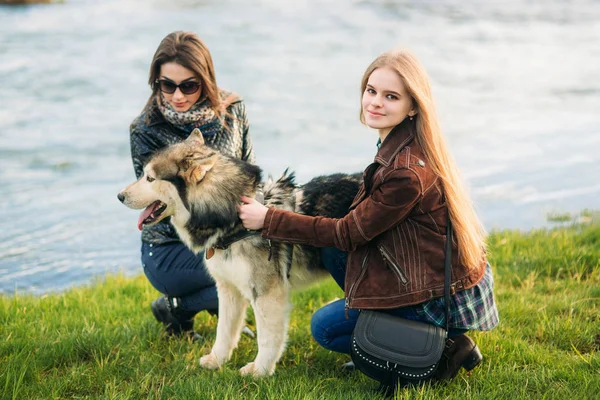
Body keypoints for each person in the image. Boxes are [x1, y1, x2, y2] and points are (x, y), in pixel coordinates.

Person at [237, 48, 499, 381]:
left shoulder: (406, 171)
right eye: (371, 91)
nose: (374, 102)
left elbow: (349, 233)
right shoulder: (402, 144)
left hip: (436, 298)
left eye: (390, 96)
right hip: (430, 276)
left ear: (413, 106)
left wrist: (268, 219)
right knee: (333, 250)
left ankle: (438, 351)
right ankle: (404, 333)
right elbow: (351, 232)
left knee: (326, 328)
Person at [129, 31, 255, 340]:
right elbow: (159, 202)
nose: (177, 95)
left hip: (233, 233)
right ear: (156, 81)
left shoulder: (233, 110)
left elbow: (250, 178)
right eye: (167, 85)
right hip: (172, 246)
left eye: (188, 85)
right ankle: (179, 305)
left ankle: (193, 306)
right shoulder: (144, 129)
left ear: (205, 78)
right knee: (242, 278)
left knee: (261, 270)